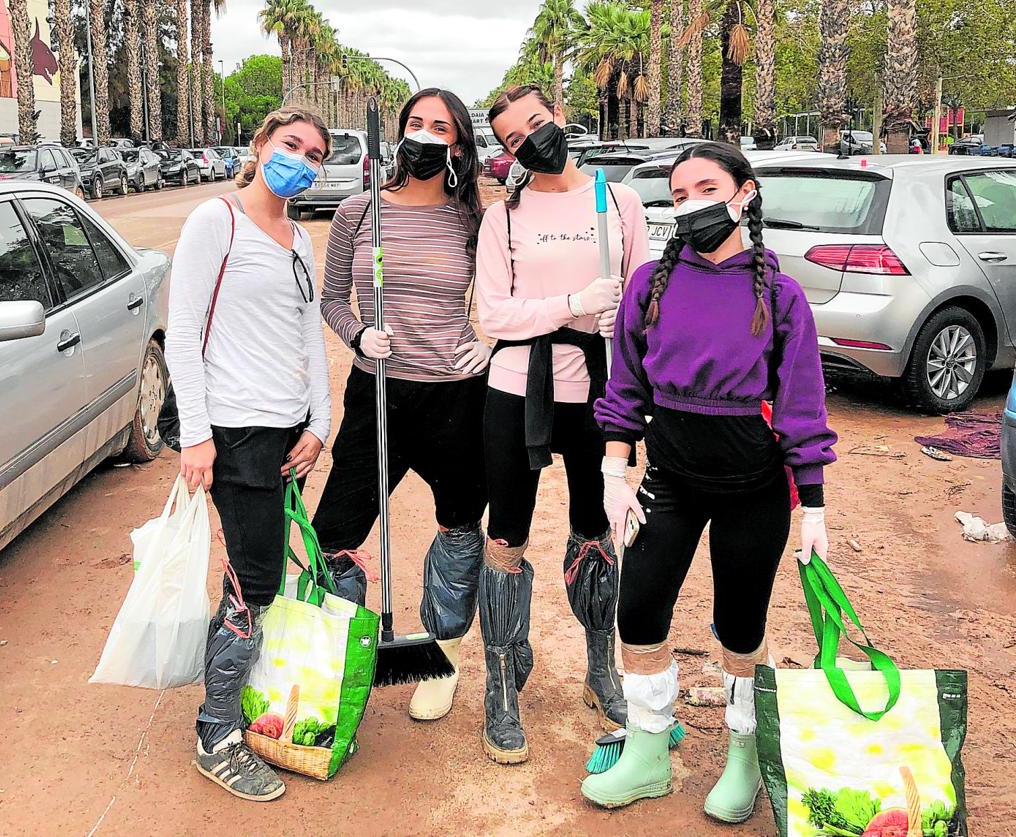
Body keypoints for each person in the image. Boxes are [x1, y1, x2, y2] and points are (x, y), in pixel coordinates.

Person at [584, 142, 837, 821]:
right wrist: (614, 468)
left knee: (740, 624)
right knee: (636, 608)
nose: (690, 202)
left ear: (744, 193)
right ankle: (647, 749)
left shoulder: (780, 296)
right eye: (679, 192)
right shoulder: (650, 284)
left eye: (706, 187)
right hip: (667, 479)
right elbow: (626, 385)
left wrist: (812, 505)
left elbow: (803, 406)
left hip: (754, 489)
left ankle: (744, 756)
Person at [474, 85, 649, 764]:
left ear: (559, 118)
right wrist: (573, 301)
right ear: (507, 152)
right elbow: (495, 315)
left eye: (538, 124)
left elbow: (639, 301)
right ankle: (500, 685)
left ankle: (600, 668)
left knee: (595, 528)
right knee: (507, 534)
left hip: (597, 391)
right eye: (515, 139)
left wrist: (621, 323)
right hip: (516, 389)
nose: (533, 142)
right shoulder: (504, 219)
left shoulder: (619, 202)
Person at [165, 107, 332, 802]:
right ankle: (217, 732)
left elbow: (307, 337)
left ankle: (231, 711)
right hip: (234, 433)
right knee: (253, 584)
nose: (301, 159)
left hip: (285, 432)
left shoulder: (298, 238)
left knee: (253, 575)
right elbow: (181, 335)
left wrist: (320, 422)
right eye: (290, 144)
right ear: (260, 145)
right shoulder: (217, 221)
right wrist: (197, 434)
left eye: (315, 153)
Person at [311, 87, 489, 722]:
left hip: (455, 397)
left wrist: (488, 344)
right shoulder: (359, 212)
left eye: (440, 126)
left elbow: (502, 296)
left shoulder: (476, 220)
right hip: (378, 393)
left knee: (459, 524)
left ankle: (437, 655)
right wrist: (359, 334)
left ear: (459, 145)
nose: (424, 134)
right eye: (415, 122)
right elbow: (332, 298)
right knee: (334, 531)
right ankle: (346, 653)